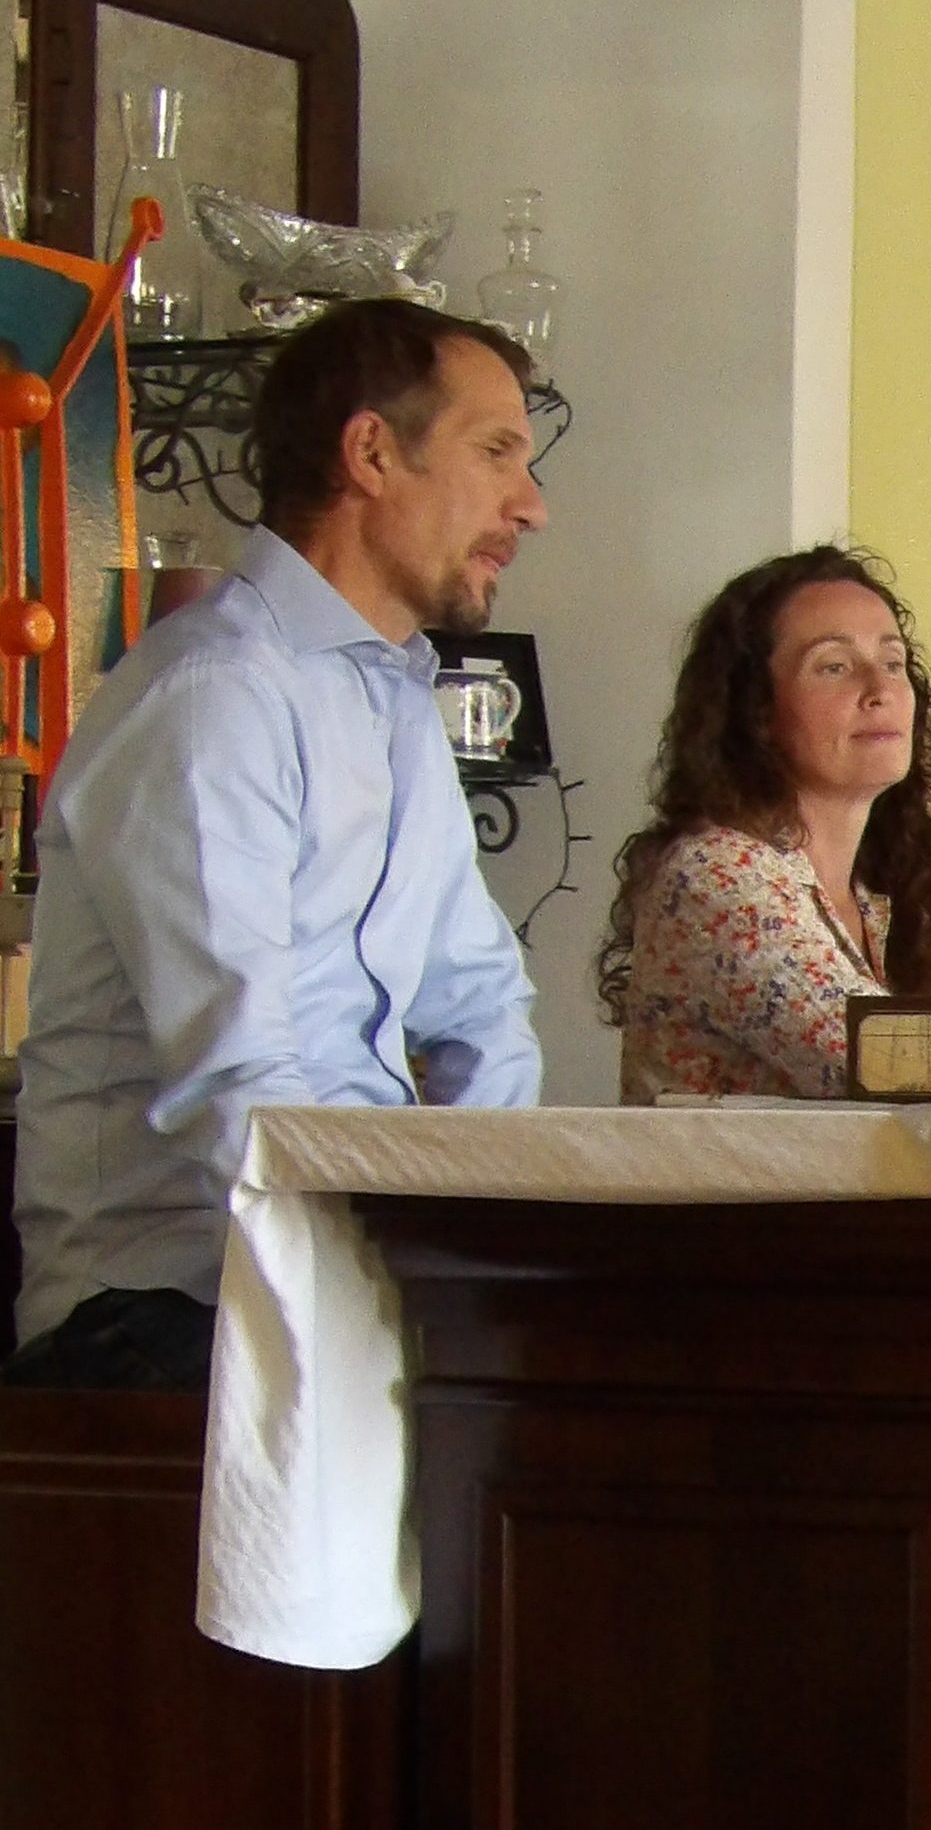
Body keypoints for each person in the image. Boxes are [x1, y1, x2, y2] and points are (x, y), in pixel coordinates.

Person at [6, 301, 546, 1389]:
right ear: (370, 453)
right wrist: (406, 1285)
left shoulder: (395, 698)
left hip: (338, 1272)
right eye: (496, 453)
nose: (529, 505)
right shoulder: (215, 693)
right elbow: (237, 1082)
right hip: (167, 1310)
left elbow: (483, 1006)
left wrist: (476, 1248)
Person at [600, 544, 931, 1101]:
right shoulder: (719, 875)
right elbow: (892, 1065)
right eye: (834, 667)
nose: (880, 690)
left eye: (893, 663)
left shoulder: (883, 891)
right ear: (756, 711)